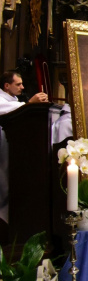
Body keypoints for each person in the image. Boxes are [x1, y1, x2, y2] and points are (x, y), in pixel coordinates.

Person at [0, 72, 48, 222]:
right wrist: (30, 104)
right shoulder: (1, 99)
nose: (22, 87)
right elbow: (7, 110)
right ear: (7, 86)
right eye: (18, 84)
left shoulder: (13, 100)